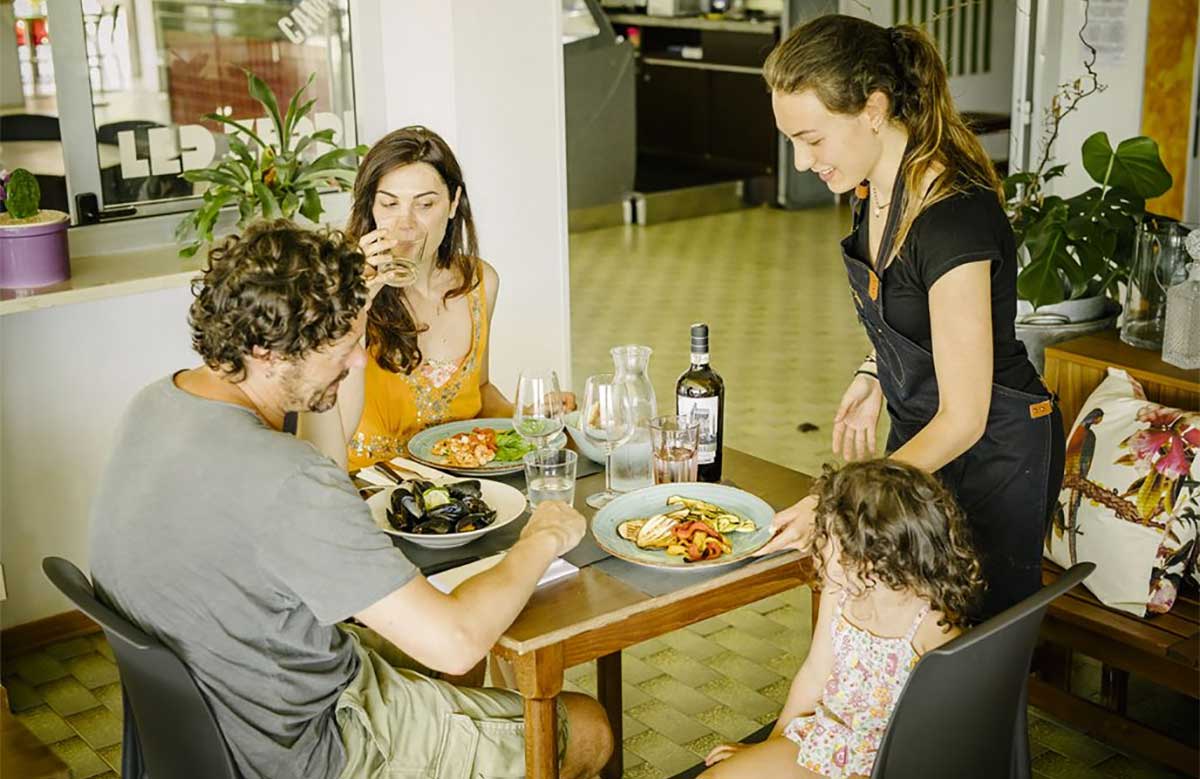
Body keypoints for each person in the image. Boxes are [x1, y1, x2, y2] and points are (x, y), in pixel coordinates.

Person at [88, 220, 612, 779]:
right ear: (268, 352)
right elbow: (455, 643)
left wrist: (343, 331)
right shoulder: (286, 481)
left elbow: (323, 470)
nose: (360, 361)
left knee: (449, 644)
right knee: (585, 728)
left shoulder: (157, 403)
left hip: (217, 718)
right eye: (341, 347)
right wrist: (541, 538)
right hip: (308, 748)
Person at [755, 15, 1065, 619]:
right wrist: (876, 370)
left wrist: (840, 499)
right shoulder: (873, 188)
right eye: (791, 140)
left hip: (994, 452)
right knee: (905, 624)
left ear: (873, 109)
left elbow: (965, 417)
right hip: (922, 437)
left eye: (812, 139)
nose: (801, 161)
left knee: (969, 643)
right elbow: (913, 309)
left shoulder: (951, 220)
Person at [704, 459, 983, 778]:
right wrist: (771, 746)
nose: (816, 549)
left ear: (866, 559)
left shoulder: (932, 628)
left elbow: (943, 737)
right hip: (826, 741)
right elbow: (814, 674)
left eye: (825, 539)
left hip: (887, 762)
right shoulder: (839, 592)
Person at [298, 126, 515, 471]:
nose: (405, 224)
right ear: (371, 207)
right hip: (370, 485)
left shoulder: (480, 282)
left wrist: (530, 419)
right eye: (389, 204)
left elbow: (481, 389)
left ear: (453, 203)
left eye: (425, 204)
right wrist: (354, 304)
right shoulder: (338, 290)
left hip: (462, 483)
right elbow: (323, 432)